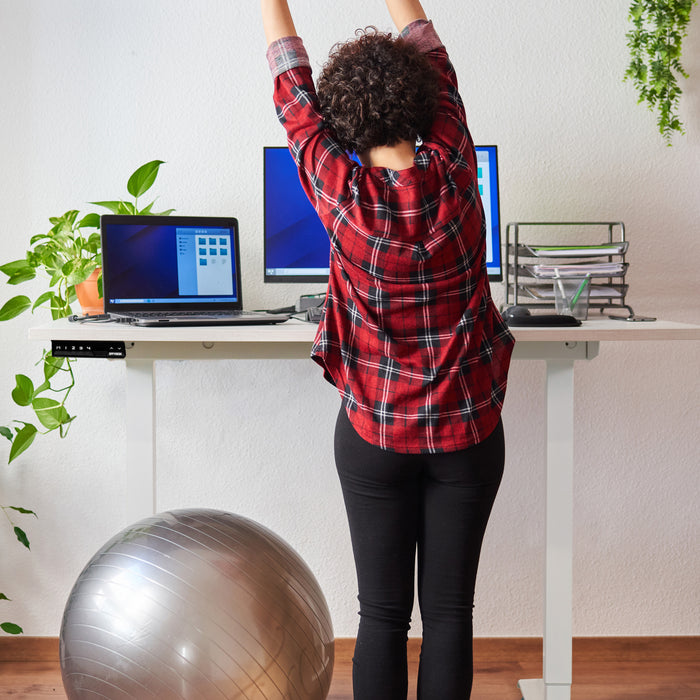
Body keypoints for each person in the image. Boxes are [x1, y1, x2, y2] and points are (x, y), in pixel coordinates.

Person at [261, 1, 515, 697]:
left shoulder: (337, 189)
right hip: (468, 434)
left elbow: (291, 91)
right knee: (451, 616)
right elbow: (427, 45)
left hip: (375, 431)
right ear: (429, 103)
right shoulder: (458, 160)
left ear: (340, 123)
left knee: (381, 617)